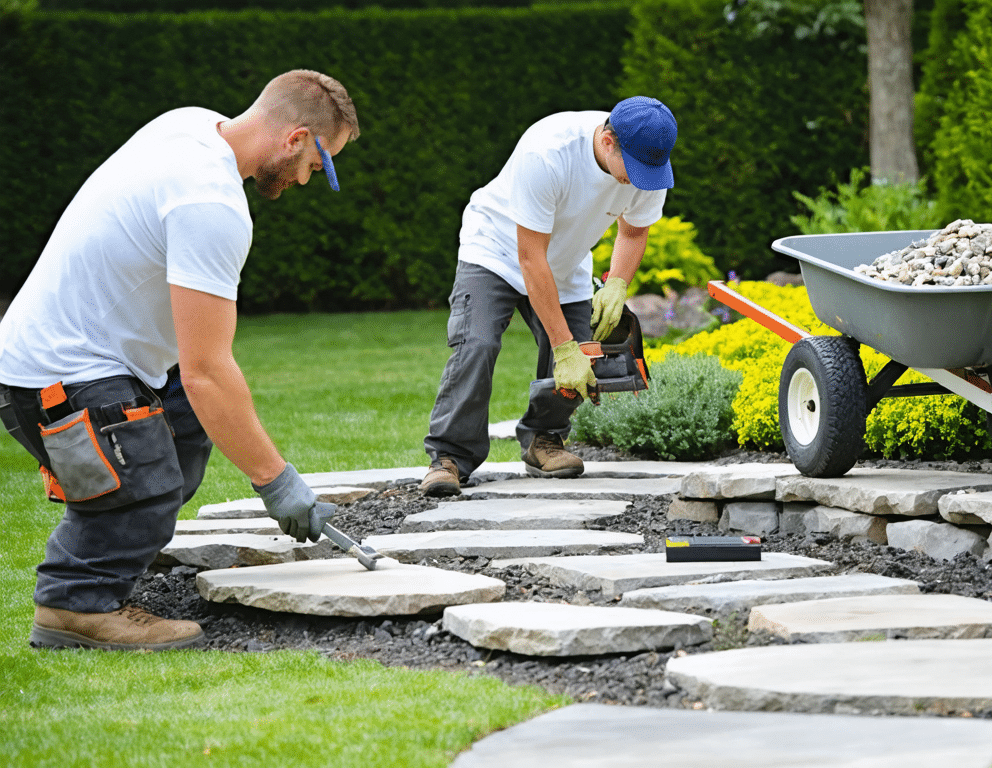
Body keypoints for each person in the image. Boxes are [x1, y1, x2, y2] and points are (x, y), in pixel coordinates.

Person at [0, 70, 360, 651]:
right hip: (55, 377)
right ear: (294, 139)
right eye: (317, 166)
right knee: (149, 482)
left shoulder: (189, 124)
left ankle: (120, 544)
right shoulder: (211, 202)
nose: (306, 179)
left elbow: (197, 375)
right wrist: (278, 483)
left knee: (182, 432)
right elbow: (206, 372)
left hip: (82, 361)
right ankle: (74, 605)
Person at [420, 96, 677, 497]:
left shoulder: (647, 163)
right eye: (635, 169)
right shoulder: (548, 152)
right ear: (608, 142)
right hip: (496, 251)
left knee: (585, 350)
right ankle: (449, 457)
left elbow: (633, 231)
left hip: (566, 261)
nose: (641, 180)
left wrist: (617, 283)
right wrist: (562, 346)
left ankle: (544, 439)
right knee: (478, 343)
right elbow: (530, 258)